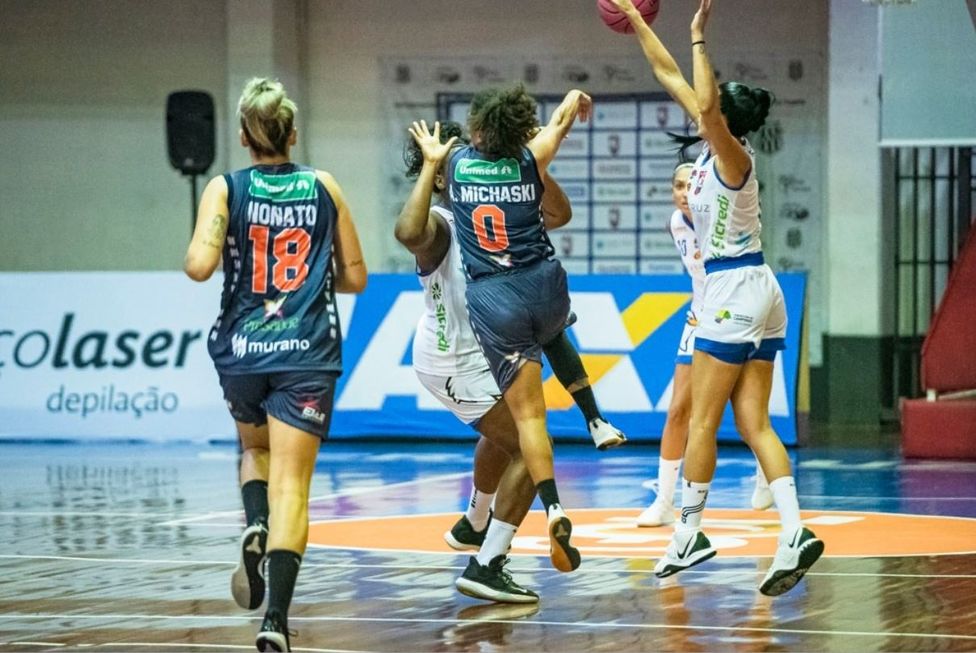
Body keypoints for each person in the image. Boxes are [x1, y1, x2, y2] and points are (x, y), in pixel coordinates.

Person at [610, 0, 823, 595]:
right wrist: (639, 20)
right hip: (757, 287)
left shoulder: (732, 155)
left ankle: (691, 531)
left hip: (733, 288)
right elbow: (668, 75)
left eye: (715, 102)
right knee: (752, 421)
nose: (704, 103)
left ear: (726, 117)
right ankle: (794, 532)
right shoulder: (708, 148)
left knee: (704, 418)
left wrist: (700, 36)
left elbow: (700, 96)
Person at [398, 120, 621, 601]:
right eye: (458, 164)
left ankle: (474, 524)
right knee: (528, 445)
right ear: (442, 175)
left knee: (505, 436)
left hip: (491, 347)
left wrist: (535, 162)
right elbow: (407, 231)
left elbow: (560, 213)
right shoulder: (443, 223)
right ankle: (488, 563)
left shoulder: (500, 207)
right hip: (454, 359)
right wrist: (432, 165)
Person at [183, 77, 366, 651]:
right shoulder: (324, 186)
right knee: (294, 486)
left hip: (243, 348)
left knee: (253, 451)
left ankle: (254, 524)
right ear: (292, 133)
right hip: (306, 349)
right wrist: (311, 278)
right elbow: (356, 277)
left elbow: (198, 266)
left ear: (243, 136)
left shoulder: (225, 188)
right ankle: (276, 623)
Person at [438, 85, 592, 574]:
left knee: (527, 422)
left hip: (494, 299)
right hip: (544, 288)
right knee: (553, 340)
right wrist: (572, 98)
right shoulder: (531, 159)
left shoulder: (457, 165)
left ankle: (548, 509)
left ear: (480, 129)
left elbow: (435, 165)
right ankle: (595, 417)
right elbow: (559, 124)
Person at [636, 163, 772, 527]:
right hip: (700, 313)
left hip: (736, 308)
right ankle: (665, 500)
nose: (682, 192)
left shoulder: (719, 215)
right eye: (676, 185)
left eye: (688, 185)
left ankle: (765, 476)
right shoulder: (676, 223)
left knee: (745, 410)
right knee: (679, 407)